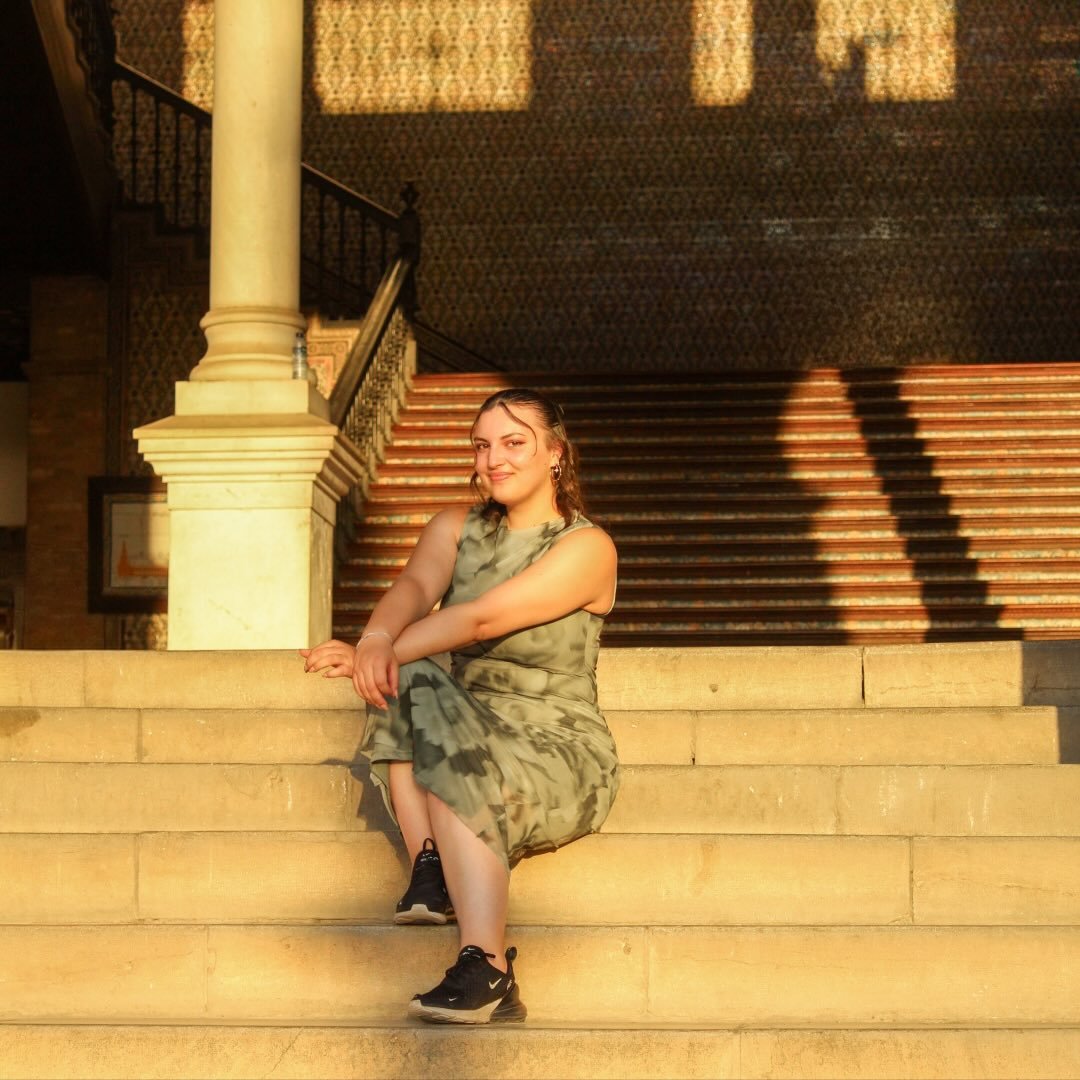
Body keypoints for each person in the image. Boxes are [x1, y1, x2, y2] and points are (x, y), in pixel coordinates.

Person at [301, 387, 620, 1025]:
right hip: (466, 723)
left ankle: (488, 966)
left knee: (414, 679)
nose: (494, 459)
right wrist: (376, 638)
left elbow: (480, 619)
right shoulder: (455, 527)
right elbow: (415, 585)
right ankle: (431, 863)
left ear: (555, 453)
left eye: (514, 443)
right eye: (482, 445)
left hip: (553, 745)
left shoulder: (586, 547)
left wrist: (373, 656)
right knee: (413, 674)